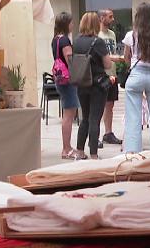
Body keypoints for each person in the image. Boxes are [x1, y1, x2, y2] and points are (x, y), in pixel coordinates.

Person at [122, 3, 150, 152]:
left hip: (136, 75)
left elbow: (126, 57)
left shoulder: (131, 35)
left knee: (133, 118)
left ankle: (133, 154)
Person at [73, 12, 111, 160]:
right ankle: (94, 154)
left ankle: (80, 151)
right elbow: (107, 64)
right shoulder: (98, 42)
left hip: (82, 84)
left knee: (85, 119)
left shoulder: (76, 41)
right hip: (97, 85)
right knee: (95, 119)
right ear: (96, 24)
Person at [51, 12, 83, 160]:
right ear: (66, 24)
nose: (73, 24)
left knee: (67, 113)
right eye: (71, 22)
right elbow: (70, 60)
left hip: (59, 79)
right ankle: (67, 148)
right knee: (69, 115)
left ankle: (67, 147)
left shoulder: (55, 39)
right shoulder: (64, 40)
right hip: (68, 80)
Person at [97, 9, 122, 146]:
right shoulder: (96, 34)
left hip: (112, 72)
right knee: (99, 105)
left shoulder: (112, 34)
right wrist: (116, 59)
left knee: (110, 105)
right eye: (110, 17)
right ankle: (96, 135)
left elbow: (111, 52)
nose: (113, 19)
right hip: (101, 74)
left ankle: (108, 133)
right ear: (101, 18)